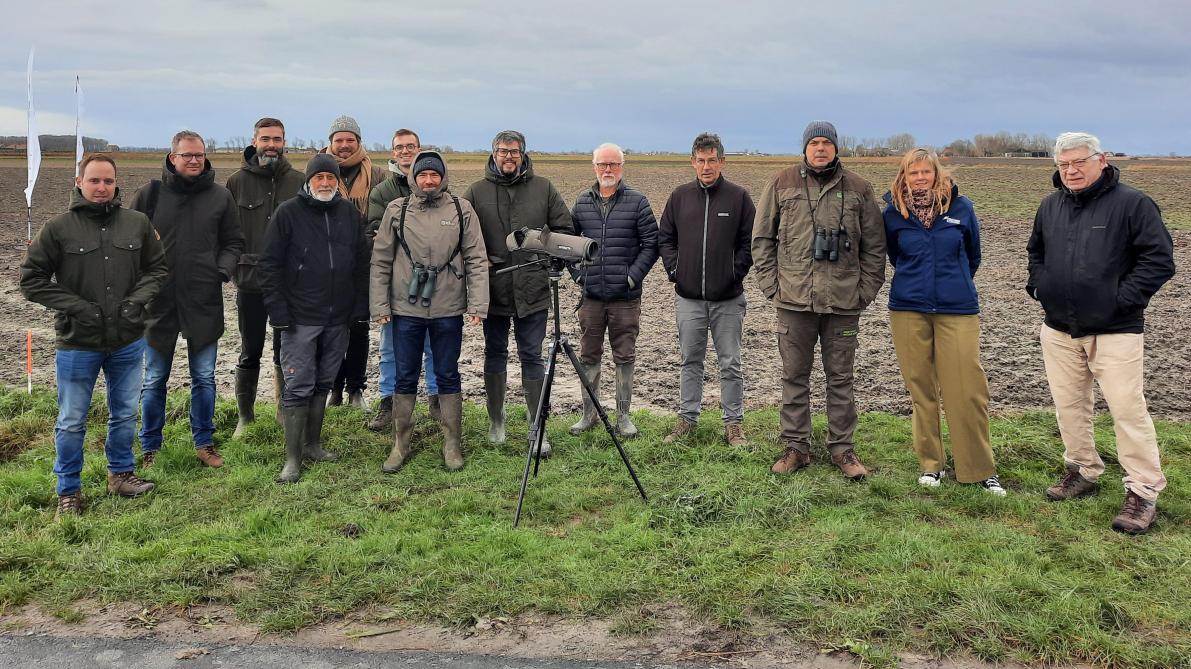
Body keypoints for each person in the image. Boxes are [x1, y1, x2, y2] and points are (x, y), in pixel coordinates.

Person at [1027, 132, 1175, 534]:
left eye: (1079, 162)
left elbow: (1159, 260)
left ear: (1101, 160)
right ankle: (1083, 470)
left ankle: (1143, 491)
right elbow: (1035, 252)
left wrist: (1121, 300)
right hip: (1059, 328)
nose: (1071, 171)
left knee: (1127, 410)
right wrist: (1039, 288)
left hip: (1116, 330)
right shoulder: (1050, 206)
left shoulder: (1133, 204)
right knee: (1069, 406)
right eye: (1063, 165)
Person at [20, 154, 167, 516]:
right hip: (78, 343)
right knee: (71, 419)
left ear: (116, 184)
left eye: (108, 181)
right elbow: (32, 280)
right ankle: (68, 489)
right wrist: (77, 306)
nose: (102, 187)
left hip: (128, 340)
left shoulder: (137, 224)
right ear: (79, 182)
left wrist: (136, 302)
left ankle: (121, 473)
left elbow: (157, 269)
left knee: (124, 412)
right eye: (94, 181)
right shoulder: (58, 228)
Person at [751, 121, 886, 480]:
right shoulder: (782, 183)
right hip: (793, 302)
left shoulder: (859, 188)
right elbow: (762, 239)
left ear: (836, 148)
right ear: (805, 148)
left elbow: (874, 248)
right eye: (815, 143)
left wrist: (864, 292)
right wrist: (772, 287)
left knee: (841, 378)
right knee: (794, 377)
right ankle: (796, 447)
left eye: (827, 142)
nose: (821, 148)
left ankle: (843, 450)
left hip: (843, 303)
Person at [882, 148, 1004, 495]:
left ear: (937, 173)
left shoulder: (961, 207)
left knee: (967, 390)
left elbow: (973, 254)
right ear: (903, 176)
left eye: (926, 172)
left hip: (957, 309)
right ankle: (931, 465)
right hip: (908, 308)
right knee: (921, 389)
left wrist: (955, 282)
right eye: (913, 172)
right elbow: (895, 255)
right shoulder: (892, 213)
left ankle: (979, 469)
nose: (920, 178)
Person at [371, 151, 489, 472]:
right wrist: (380, 305)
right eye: (422, 175)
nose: (428, 181)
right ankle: (400, 444)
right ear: (414, 178)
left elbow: (477, 258)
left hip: (448, 308)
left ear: (442, 177)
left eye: (434, 175)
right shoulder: (398, 210)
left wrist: (477, 304)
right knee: (405, 374)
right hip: (405, 308)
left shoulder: (461, 210)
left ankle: (452, 443)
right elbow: (381, 259)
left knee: (448, 373)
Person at [132, 130, 244, 469]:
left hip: (203, 301)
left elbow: (234, 243)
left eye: (199, 155)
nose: (194, 160)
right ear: (173, 157)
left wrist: (220, 272)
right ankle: (150, 446)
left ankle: (204, 443)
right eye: (187, 155)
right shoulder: (149, 196)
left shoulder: (220, 197)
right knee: (154, 380)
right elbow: (130, 243)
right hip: (159, 305)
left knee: (204, 377)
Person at [257, 154, 371, 483]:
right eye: (319, 177)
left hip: (338, 317)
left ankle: (313, 445)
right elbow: (270, 266)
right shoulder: (288, 214)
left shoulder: (348, 213)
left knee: (323, 381)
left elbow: (361, 263)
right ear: (308, 181)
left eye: (330, 178)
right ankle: (292, 459)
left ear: (337, 181)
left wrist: (359, 306)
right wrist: (278, 310)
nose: (325, 183)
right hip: (299, 317)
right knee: (298, 385)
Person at [463, 130, 575, 456]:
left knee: (532, 355)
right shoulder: (476, 191)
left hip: (533, 289)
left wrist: (542, 252)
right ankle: (496, 421)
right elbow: (464, 234)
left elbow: (564, 230)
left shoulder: (544, 188)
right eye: (502, 151)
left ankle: (536, 427)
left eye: (514, 151)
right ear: (493, 154)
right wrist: (479, 260)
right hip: (494, 290)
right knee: (494, 353)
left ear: (523, 154)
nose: (508, 157)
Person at [658, 132, 755, 447]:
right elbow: (665, 238)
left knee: (730, 362)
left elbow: (749, 243)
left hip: (728, 299)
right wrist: (675, 271)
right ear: (692, 162)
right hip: (688, 299)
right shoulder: (679, 197)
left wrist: (734, 272)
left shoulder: (739, 198)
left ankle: (733, 424)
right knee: (690, 360)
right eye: (700, 160)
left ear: (722, 161)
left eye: (712, 160)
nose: (706, 166)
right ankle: (687, 420)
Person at [569, 142, 659, 438]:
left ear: (622, 167)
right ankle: (589, 414)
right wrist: (579, 276)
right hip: (591, 298)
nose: (608, 170)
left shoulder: (637, 202)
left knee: (625, 356)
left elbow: (651, 245)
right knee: (589, 356)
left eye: (613, 164)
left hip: (625, 300)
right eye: (602, 164)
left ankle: (623, 417)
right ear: (594, 166)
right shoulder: (582, 202)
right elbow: (568, 244)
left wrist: (631, 278)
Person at [225, 117, 305, 437]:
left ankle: (284, 410)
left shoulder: (298, 181)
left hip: (288, 284)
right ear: (254, 140)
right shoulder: (235, 183)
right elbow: (226, 233)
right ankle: (245, 416)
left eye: (277, 139)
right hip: (251, 282)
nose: (271, 145)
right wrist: (235, 267)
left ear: (284, 142)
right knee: (250, 348)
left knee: (284, 348)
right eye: (266, 138)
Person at [366, 129, 441, 432]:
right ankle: (389, 403)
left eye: (411, 146)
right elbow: (375, 234)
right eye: (400, 147)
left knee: (433, 346)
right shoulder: (383, 192)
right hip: (397, 283)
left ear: (420, 149)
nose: (406, 151)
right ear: (393, 152)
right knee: (390, 347)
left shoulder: (437, 187)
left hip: (434, 284)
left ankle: (438, 402)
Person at [322, 115, 386, 409]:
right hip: (328, 265)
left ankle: (356, 389)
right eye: (339, 140)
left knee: (359, 327)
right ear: (331, 142)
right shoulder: (319, 173)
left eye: (350, 140)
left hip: (364, 263)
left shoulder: (378, 176)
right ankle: (334, 388)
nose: (344, 146)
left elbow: (380, 220)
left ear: (359, 142)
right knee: (331, 328)